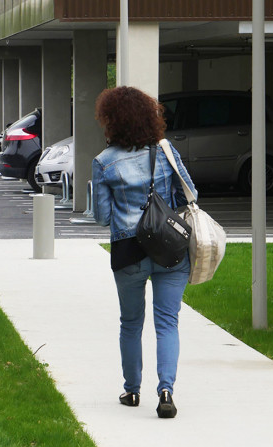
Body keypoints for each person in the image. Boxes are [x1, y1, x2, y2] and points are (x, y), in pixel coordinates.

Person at [91, 86, 197, 419]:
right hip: (170, 248)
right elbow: (189, 193)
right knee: (168, 323)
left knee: (131, 323)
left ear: (111, 121)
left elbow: (101, 217)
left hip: (128, 251)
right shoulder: (166, 151)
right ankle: (166, 390)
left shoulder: (104, 162)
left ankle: (132, 390)